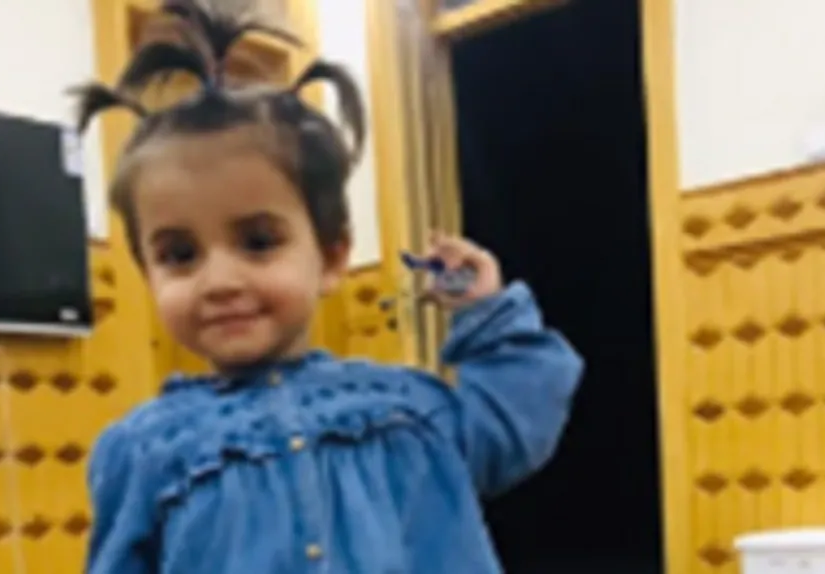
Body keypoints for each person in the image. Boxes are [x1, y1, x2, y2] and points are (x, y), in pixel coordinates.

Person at [74, 1, 583, 572]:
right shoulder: (142, 452)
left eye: (259, 241)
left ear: (333, 255)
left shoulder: (410, 410)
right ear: (147, 273)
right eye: (179, 255)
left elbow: (517, 419)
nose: (218, 281)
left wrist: (488, 315)